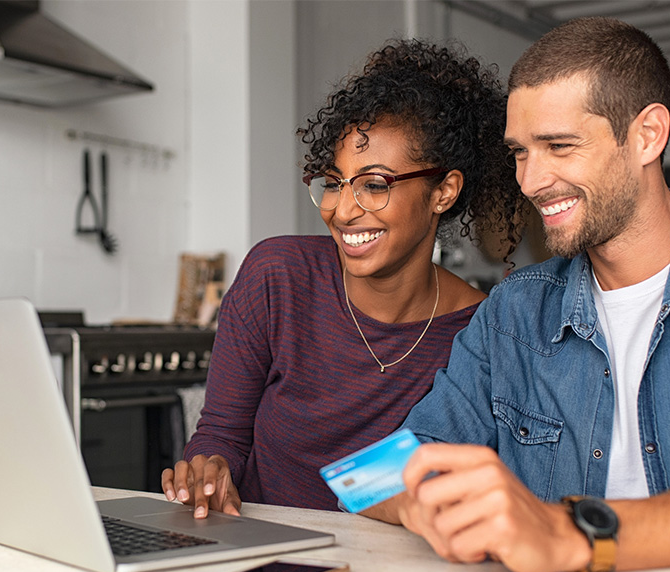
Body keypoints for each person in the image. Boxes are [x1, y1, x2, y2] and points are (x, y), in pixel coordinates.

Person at [367, 17, 670, 572]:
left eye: (558, 146)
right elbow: (372, 476)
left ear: (647, 135)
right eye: (520, 152)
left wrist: (567, 532)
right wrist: (428, 500)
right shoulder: (511, 314)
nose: (529, 181)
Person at [161, 39, 524, 518]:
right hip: (250, 568)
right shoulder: (277, 277)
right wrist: (207, 474)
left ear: (444, 192)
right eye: (334, 182)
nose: (343, 210)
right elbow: (221, 434)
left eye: (375, 185)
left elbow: (422, 481)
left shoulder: (480, 332)